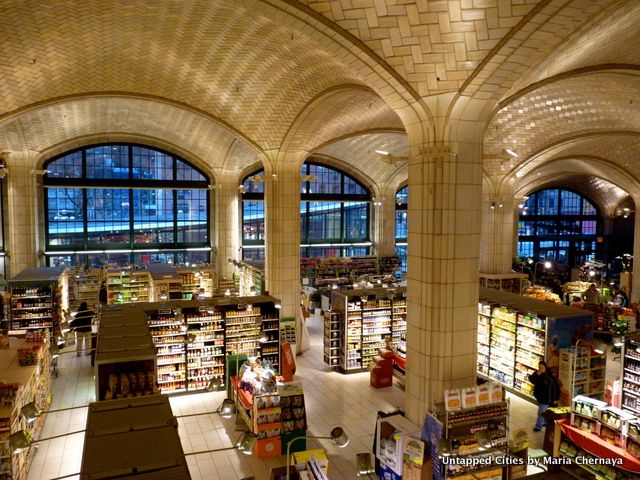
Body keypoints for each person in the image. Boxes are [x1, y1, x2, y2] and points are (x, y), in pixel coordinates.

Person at [528, 361, 560, 432]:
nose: (540, 369)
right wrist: (536, 374)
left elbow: (556, 388)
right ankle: (545, 422)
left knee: (541, 412)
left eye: (542, 368)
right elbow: (532, 380)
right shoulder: (538, 374)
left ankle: (538, 427)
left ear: (545, 367)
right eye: (539, 368)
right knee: (544, 411)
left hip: (546, 399)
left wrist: (556, 398)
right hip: (540, 398)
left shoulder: (549, 376)